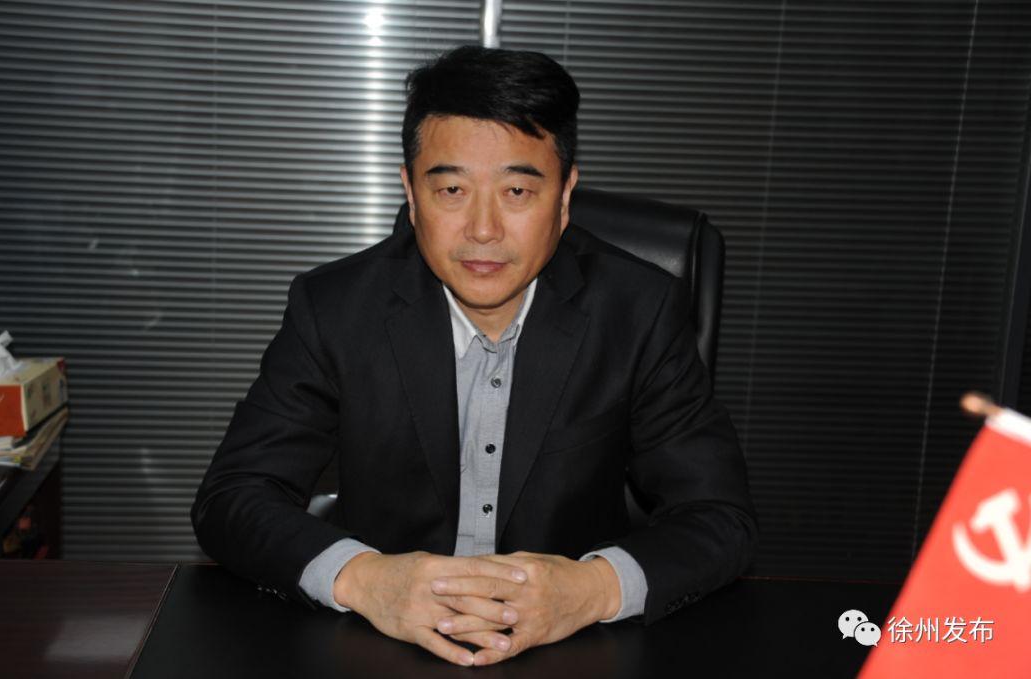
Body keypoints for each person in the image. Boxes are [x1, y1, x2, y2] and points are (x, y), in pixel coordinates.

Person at [192, 45, 757, 667]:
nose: (483, 229)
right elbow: (234, 496)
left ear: (565, 194)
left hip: (570, 648)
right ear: (411, 193)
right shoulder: (335, 308)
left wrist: (590, 589)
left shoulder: (638, 310)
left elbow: (720, 517)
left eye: (517, 190)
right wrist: (365, 579)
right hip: (381, 644)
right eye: (452, 189)